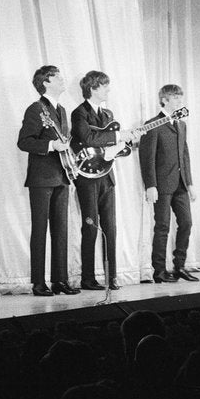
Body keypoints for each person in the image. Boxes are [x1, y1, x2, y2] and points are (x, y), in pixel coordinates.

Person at [71, 70, 141, 290]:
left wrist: (130, 141)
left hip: (107, 178)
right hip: (88, 178)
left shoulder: (108, 114)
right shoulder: (79, 113)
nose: (108, 90)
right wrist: (119, 136)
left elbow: (113, 148)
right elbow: (88, 138)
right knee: (90, 227)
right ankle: (88, 278)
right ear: (93, 88)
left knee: (110, 227)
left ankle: (111, 277)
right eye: (104, 86)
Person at [17, 66, 80, 296]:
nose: (63, 80)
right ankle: (38, 282)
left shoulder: (62, 110)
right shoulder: (35, 109)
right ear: (46, 82)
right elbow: (24, 142)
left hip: (61, 176)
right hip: (41, 178)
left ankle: (60, 280)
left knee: (61, 230)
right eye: (58, 77)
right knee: (40, 229)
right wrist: (51, 145)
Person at [138, 84, 197, 284]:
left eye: (181, 98)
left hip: (180, 184)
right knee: (162, 227)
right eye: (176, 99)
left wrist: (189, 183)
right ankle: (159, 271)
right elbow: (147, 158)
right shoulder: (153, 125)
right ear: (164, 100)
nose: (180, 102)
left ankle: (179, 266)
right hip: (161, 185)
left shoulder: (181, 124)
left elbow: (185, 155)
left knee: (186, 223)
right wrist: (150, 185)